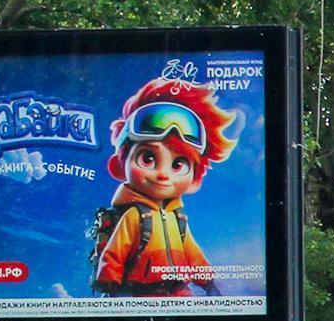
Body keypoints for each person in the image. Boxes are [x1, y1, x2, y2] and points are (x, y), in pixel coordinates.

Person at [90, 77, 240, 297]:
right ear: (119, 166)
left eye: (178, 164)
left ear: (195, 180)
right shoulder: (134, 216)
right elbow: (115, 253)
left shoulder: (177, 219)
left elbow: (192, 253)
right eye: (148, 158)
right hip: (143, 293)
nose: (163, 174)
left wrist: (208, 283)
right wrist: (110, 286)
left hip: (179, 291)